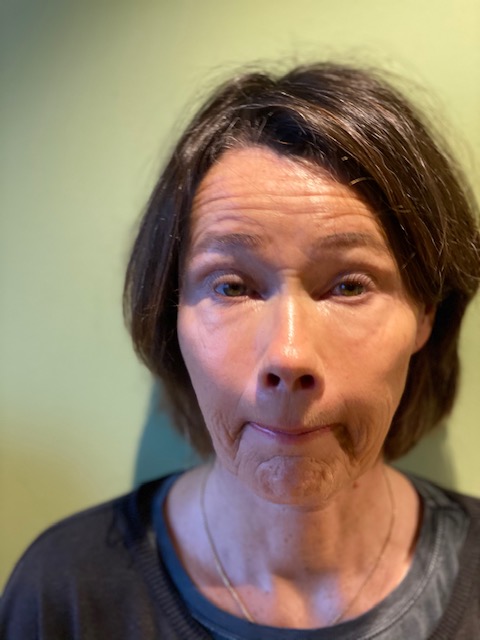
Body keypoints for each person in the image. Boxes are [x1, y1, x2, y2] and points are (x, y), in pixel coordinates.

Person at [1, 62, 479, 639]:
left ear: (426, 313)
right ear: (171, 315)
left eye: (349, 286)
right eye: (231, 287)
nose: (289, 355)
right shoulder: (67, 594)